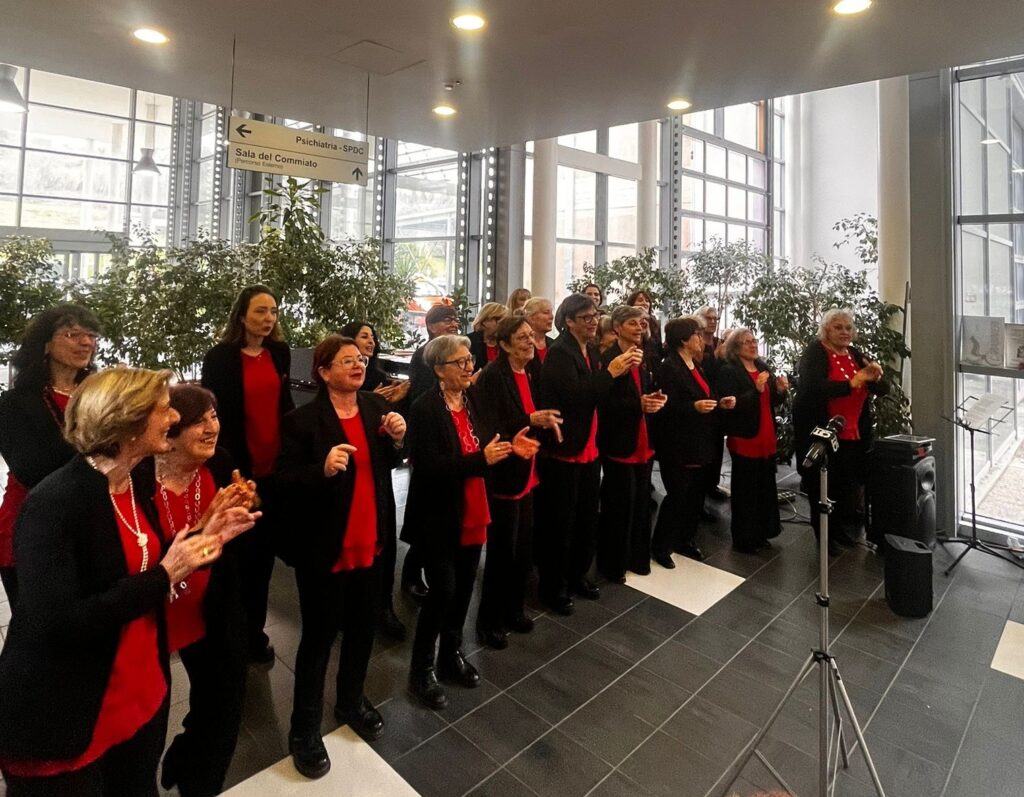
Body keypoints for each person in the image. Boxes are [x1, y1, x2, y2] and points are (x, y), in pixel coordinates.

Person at [0, 368, 256, 796]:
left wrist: (203, 537)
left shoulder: (130, 481)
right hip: (74, 709)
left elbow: (141, 559)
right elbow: (59, 623)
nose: (174, 417)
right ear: (127, 421)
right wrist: (166, 575)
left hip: (140, 690)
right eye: (163, 409)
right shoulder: (55, 505)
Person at [276, 335, 406, 778]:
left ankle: (351, 699)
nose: (358, 365)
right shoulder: (302, 421)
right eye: (347, 360)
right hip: (326, 548)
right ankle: (304, 729)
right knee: (317, 640)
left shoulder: (372, 407)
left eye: (361, 359)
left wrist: (397, 441)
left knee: (362, 630)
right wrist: (321, 469)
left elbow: (386, 462)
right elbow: (284, 482)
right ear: (324, 371)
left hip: (371, 540)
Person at [402, 335, 535, 709]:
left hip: (474, 506)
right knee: (442, 589)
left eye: (468, 359)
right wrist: (483, 460)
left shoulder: (472, 399)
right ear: (439, 370)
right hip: (438, 513)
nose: (468, 367)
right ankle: (422, 668)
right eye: (459, 362)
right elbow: (428, 466)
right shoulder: (426, 408)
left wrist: (511, 449)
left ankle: (452, 654)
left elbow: (489, 442)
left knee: (462, 589)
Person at [144, 385, 257, 796]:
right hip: (151, 615)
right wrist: (202, 528)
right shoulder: (138, 479)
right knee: (147, 724)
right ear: (169, 434)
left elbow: (228, 538)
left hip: (211, 607)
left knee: (222, 707)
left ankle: (198, 774)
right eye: (199, 421)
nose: (213, 428)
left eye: (214, 416)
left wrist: (242, 507)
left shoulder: (221, 464)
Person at [201, 284, 294, 666]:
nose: (268, 318)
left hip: (275, 467)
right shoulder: (220, 357)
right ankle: (229, 631)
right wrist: (226, 468)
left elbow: (284, 405)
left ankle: (254, 630)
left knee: (264, 558)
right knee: (237, 556)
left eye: (272, 311)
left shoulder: (279, 351)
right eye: (260, 311)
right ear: (242, 315)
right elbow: (213, 416)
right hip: (237, 468)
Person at [536, 295, 642, 615]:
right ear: (568, 321)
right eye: (585, 318)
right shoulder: (559, 354)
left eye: (595, 316)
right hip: (566, 448)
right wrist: (610, 372)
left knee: (584, 519)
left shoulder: (592, 349)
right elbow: (577, 399)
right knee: (561, 523)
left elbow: (601, 397)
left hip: (589, 445)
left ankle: (577, 575)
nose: (593, 322)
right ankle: (553, 588)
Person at [0, 304, 100, 608]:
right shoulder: (14, 403)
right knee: (39, 634)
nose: (86, 343)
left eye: (91, 335)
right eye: (72, 334)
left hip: (94, 524)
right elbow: (32, 469)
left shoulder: (100, 393)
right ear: (44, 344)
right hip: (33, 528)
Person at [471, 316, 561, 649]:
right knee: (501, 552)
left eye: (531, 336)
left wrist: (544, 420)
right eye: (522, 337)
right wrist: (529, 420)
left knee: (522, 550)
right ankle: (488, 620)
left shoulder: (532, 370)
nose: (530, 341)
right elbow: (488, 426)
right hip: (506, 470)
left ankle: (513, 609)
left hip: (529, 468)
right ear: (505, 344)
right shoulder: (494, 376)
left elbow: (534, 412)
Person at [793, 308, 887, 555]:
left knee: (844, 485)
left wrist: (875, 376)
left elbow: (883, 388)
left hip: (854, 431)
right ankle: (824, 535)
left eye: (848, 327)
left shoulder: (855, 353)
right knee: (822, 485)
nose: (844, 332)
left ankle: (839, 531)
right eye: (838, 327)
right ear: (826, 330)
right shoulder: (816, 352)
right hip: (825, 432)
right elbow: (811, 389)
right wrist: (851, 383)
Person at [340, 320, 409, 641]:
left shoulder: (378, 387)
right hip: (346, 493)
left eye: (370, 339)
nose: (359, 362)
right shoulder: (312, 417)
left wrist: (396, 438)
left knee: (383, 550)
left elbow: (394, 456)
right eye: (361, 338)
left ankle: (383, 608)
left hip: (378, 485)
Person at [651, 317, 736, 567]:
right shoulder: (670, 367)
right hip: (678, 443)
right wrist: (694, 407)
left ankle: (684, 538)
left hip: (699, 439)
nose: (701, 339)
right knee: (678, 495)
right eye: (696, 335)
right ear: (684, 340)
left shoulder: (694, 365)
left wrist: (718, 402)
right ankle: (661, 545)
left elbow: (705, 393)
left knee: (694, 496)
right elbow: (666, 407)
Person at [596, 305, 666, 582]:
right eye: (633, 324)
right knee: (619, 507)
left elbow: (644, 391)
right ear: (617, 328)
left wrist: (654, 398)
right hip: (619, 440)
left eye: (642, 323)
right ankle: (612, 564)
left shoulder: (644, 358)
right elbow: (604, 402)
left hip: (642, 439)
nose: (640, 328)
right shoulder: (609, 358)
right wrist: (638, 404)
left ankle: (638, 558)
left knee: (640, 505)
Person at [403, 302, 461, 602]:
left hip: (451, 441)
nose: (452, 324)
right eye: (445, 320)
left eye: (454, 319)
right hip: (428, 442)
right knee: (426, 514)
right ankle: (411, 574)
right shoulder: (424, 356)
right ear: (431, 325)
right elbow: (424, 396)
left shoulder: (454, 353)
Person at [716, 329, 789, 553]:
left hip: (765, 434)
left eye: (754, 340)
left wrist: (780, 390)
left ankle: (762, 531)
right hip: (745, 435)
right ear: (736, 348)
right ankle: (744, 538)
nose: (752, 344)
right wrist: (755, 391)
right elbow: (730, 404)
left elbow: (772, 401)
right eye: (746, 342)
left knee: (765, 487)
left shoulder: (763, 367)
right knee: (745, 490)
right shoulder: (729, 371)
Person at [697, 305, 729, 502]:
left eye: (715, 318)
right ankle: (701, 490)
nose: (712, 322)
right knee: (704, 448)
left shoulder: (719, 342)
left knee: (718, 446)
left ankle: (713, 484)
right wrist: (716, 356)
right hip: (702, 401)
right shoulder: (697, 343)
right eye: (709, 318)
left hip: (719, 399)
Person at [340, 320, 411, 406]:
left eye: (372, 337)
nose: (371, 342)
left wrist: (393, 400)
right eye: (364, 337)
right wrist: (370, 399)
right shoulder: (340, 373)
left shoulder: (378, 376)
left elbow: (382, 411)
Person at [408, 303, 461, 406]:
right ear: (431, 327)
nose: (454, 325)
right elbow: (421, 393)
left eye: (456, 320)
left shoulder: (458, 352)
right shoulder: (423, 355)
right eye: (447, 321)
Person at [522, 297, 555, 385]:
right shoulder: (522, 345)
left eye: (551, 313)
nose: (551, 317)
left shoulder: (554, 345)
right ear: (531, 317)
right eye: (546, 313)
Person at [467, 302, 509, 370]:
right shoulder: (469, 342)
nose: (502, 324)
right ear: (484, 321)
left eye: (504, 321)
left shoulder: (507, 344)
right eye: (497, 319)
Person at [626, 289, 664, 362]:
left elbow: (659, 350)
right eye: (640, 300)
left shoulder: (655, 323)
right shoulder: (626, 321)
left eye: (647, 301)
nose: (645, 303)